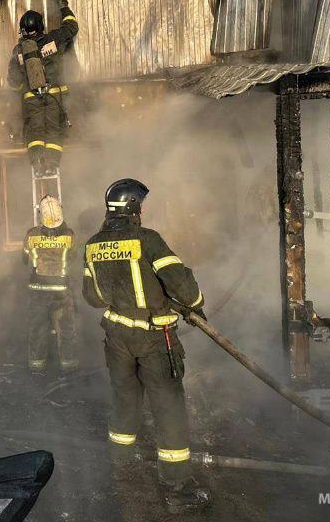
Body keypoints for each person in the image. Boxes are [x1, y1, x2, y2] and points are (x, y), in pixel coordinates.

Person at [82, 179, 210, 512]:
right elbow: (183, 286)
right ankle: (177, 487)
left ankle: (121, 465)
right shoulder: (148, 239)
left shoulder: (93, 244)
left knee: (125, 398)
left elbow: (92, 297)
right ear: (134, 208)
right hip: (155, 339)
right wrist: (193, 301)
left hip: (116, 336)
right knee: (167, 407)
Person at [7, 0, 79, 177]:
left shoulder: (19, 52)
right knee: (54, 131)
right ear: (40, 26)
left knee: (35, 132)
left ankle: (37, 164)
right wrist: (63, 5)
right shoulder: (53, 40)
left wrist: (24, 89)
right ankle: (52, 165)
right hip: (54, 95)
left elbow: (13, 82)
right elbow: (72, 27)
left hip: (32, 99)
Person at [22, 195, 78, 373]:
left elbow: (25, 259)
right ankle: (69, 366)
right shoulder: (69, 235)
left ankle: (36, 366)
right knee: (66, 330)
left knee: (38, 329)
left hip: (37, 291)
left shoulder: (31, 235)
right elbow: (74, 258)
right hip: (61, 291)